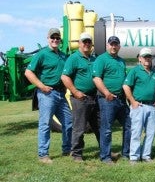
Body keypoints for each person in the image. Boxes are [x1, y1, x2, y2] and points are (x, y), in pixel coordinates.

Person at [24, 28, 72, 164]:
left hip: (61, 95)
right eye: (53, 37)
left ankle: (67, 149)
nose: (55, 40)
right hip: (47, 94)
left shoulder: (63, 56)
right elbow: (28, 72)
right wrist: (41, 86)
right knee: (45, 124)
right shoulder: (42, 54)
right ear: (48, 38)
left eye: (57, 38)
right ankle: (43, 154)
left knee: (68, 123)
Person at [61, 32, 100, 162]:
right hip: (80, 98)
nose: (86, 44)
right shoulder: (73, 58)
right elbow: (65, 77)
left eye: (89, 41)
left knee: (100, 126)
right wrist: (75, 92)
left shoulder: (94, 59)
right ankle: (76, 154)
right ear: (79, 43)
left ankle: (105, 151)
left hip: (95, 97)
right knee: (79, 127)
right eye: (84, 41)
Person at [92, 36, 131, 164]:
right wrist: (106, 93)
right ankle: (105, 157)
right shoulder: (101, 59)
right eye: (111, 44)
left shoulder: (121, 61)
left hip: (120, 99)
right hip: (107, 99)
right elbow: (96, 78)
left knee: (129, 125)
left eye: (116, 44)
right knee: (107, 129)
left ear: (119, 46)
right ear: (108, 45)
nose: (114, 47)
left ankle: (126, 153)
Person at [123, 48, 155, 164]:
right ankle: (134, 157)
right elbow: (126, 86)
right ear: (140, 58)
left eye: (149, 56)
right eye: (144, 57)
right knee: (136, 132)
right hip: (139, 106)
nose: (147, 59)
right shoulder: (135, 71)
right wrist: (133, 101)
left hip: (151, 107)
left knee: (151, 133)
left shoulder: (154, 74)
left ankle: (146, 155)